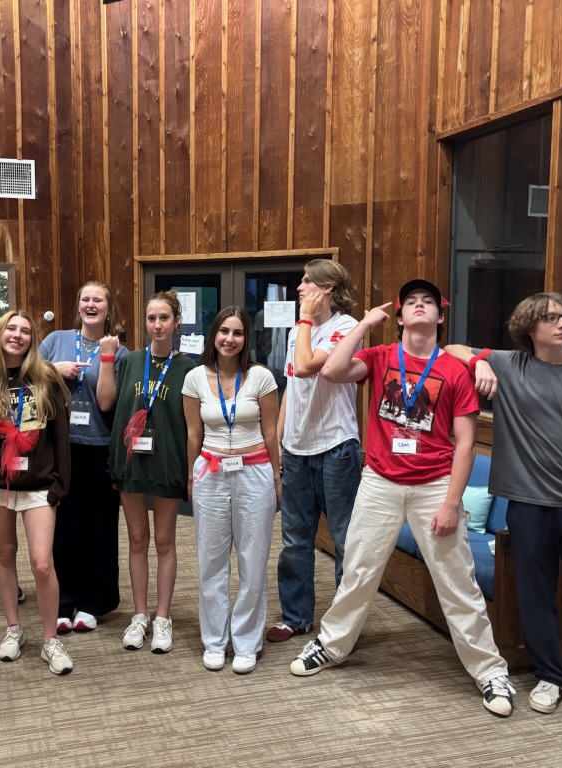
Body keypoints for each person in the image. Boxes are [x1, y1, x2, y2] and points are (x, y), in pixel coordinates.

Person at [288, 279, 516, 718]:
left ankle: (490, 671)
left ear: (440, 317)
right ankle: (331, 645)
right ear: (399, 315)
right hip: (380, 481)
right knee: (359, 569)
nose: (419, 306)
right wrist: (364, 324)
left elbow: (466, 444)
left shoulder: (454, 371)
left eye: (428, 301)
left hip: (434, 485)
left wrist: (451, 504)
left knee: (457, 582)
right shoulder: (380, 357)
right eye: (411, 301)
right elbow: (331, 371)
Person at [445, 293, 562, 714]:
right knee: (535, 592)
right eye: (550, 318)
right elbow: (452, 348)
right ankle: (550, 674)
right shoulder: (509, 365)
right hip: (528, 504)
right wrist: (480, 362)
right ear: (529, 328)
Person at [0, 310, 74, 674]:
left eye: (25, 331)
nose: (17, 335)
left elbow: (61, 436)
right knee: (5, 555)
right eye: (11, 328)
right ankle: (13, 628)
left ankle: (51, 640)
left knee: (42, 563)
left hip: (39, 485)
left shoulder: (46, 377)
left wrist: (59, 486)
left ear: (32, 340)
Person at [266, 259, 362, 643]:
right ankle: (296, 617)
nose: (299, 287)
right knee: (295, 539)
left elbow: (308, 366)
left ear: (328, 288)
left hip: (337, 448)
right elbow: (292, 386)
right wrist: (278, 441)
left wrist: (305, 320)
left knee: (344, 540)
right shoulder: (297, 331)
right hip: (296, 449)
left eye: (307, 281)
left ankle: (343, 627)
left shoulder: (347, 327)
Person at [183, 306, 280, 674]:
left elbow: (270, 432)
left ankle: (246, 642)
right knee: (211, 561)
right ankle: (214, 641)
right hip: (210, 472)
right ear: (214, 335)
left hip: (255, 472)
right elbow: (193, 433)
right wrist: (190, 475)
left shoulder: (261, 377)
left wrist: (277, 476)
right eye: (224, 331)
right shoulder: (195, 377)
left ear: (246, 338)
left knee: (253, 561)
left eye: (237, 333)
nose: (229, 339)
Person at [108, 290, 196, 653]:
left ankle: (162, 617)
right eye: (151, 318)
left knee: (164, 541)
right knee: (137, 539)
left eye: (164, 318)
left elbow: (192, 426)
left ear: (176, 322)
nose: (157, 325)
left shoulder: (187, 368)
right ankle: (140, 615)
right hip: (133, 460)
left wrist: (191, 470)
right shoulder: (130, 361)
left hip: (168, 462)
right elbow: (117, 413)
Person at [39, 281, 128, 632]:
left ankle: (93, 602)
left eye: (98, 300)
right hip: (60, 446)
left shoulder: (119, 352)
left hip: (99, 447)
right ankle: (63, 601)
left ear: (108, 309)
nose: (91, 305)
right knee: (63, 527)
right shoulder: (55, 340)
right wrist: (53, 369)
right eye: (85, 299)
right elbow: (27, 374)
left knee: (99, 527)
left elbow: (106, 403)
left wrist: (106, 356)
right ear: (78, 306)